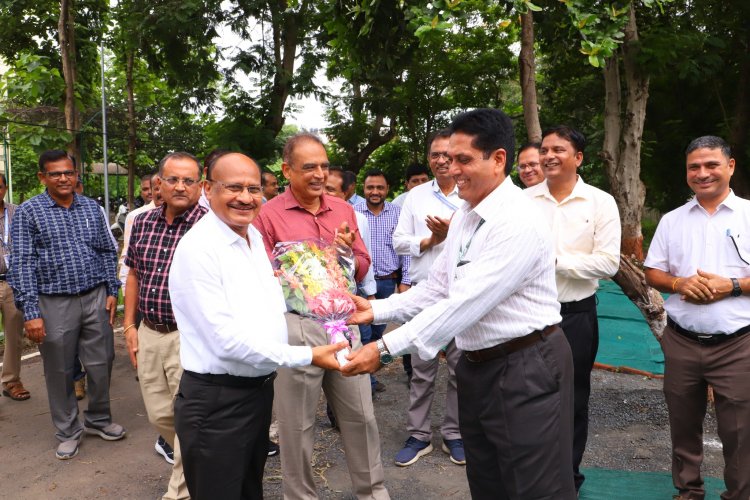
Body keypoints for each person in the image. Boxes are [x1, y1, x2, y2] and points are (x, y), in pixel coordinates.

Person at [342, 109, 576, 500]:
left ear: (498, 159)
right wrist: (375, 310)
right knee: (487, 479)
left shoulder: (518, 220)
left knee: (535, 486)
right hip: (478, 365)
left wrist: (383, 348)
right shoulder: (466, 215)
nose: (452, 171)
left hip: (525, 366)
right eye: (450, 160)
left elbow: (464, 304)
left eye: (464, 160)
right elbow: (438, 288)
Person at [169, 152, 346, 500]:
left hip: (256, 393)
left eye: (253, 188)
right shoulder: (200, 249)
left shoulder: (251, 240)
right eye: (233, 187)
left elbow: (267, 304)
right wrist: (307, 354)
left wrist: (321, 291)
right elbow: (226, 343)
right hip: (217, 401)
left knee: (249, 490)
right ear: (207, 189)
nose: (246, 198)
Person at [253, 133, 389, 500]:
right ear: (287, 170)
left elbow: (362, 267)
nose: (318, 173)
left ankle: (372, 493)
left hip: (345, 326)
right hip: (297, 327)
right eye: (309, 166)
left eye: (324, 166)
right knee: (296, 426)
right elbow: (262, 276)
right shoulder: (267, 215)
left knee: (361, 417)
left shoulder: (343, 210)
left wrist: (349, 252)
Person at [644, 136, 750, 500]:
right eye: (694, 167)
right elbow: (652, 272)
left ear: (730, 166)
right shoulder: (673, 221)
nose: (702, 173)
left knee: (740, 431)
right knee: (683, 425)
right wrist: (680, 282)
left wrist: (731, 285)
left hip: (738, 344)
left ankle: (740, 494)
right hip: (682, 341)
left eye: (711, 165)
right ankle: (688, 491)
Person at [8, 150, 125, 460]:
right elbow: (22, 262)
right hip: (53, 301)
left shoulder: (90, 207)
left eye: (68, 173)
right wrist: (31, 311)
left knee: (102, 361)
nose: (63, 178)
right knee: (59, 369)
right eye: (55, 173)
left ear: (76, 175)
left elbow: (105, 251)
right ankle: (68, 430)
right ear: (42, 177)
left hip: (95, 296)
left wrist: (112, 289)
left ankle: (99, 419)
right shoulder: (29, 212)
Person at [525, 126, 620, 492]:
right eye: (545, 149)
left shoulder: (600, 202)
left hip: (576, 315)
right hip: (529, 314)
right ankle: (534, 472)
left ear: (578, 158)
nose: (548, 155)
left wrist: (553, 261)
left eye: (558, 149)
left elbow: (608, 263)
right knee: (528, 394)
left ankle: (569, 477)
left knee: (573, 398)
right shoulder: (524, 201)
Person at [124, 152, 207, 500]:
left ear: (201, 186)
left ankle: (180, 492)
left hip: (187, 337)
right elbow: (133, 273)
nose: (180, 186)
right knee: (159, 415)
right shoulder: (142, 222)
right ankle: (203, 460)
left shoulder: (210, 226)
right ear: (159, 183)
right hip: (148, 332)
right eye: (173, 179)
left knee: (185, 417)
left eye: (189, 180)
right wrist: (129, 326)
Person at [390, 129, 464, 467]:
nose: (441, 160)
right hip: (424, 295)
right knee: (422, 368)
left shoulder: (472, 193)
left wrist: (452, 235)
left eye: (448, 153)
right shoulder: (416, 197)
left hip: (464, 294)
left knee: (462, 369)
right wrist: (430, 241)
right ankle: (418, 435)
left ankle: (455, 433)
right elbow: (398, 242)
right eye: (435, 154)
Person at [355, 169, 411, 394]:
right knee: (363, 333)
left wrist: (405, 281)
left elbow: (406, 251)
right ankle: (364, 384)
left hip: (388, 282)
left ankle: (370, 372)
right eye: (370, 187)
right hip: (360, 284)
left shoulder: (398, 213)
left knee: (378, 333)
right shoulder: (353, 213)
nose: (375, 192)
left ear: (387, 189)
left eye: (380, 187)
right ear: (364, 189)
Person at [0, 173, 28, 401]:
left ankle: (11, 381)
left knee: (14, 333)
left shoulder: (18, 212)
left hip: (12, 281)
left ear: (5, 188)